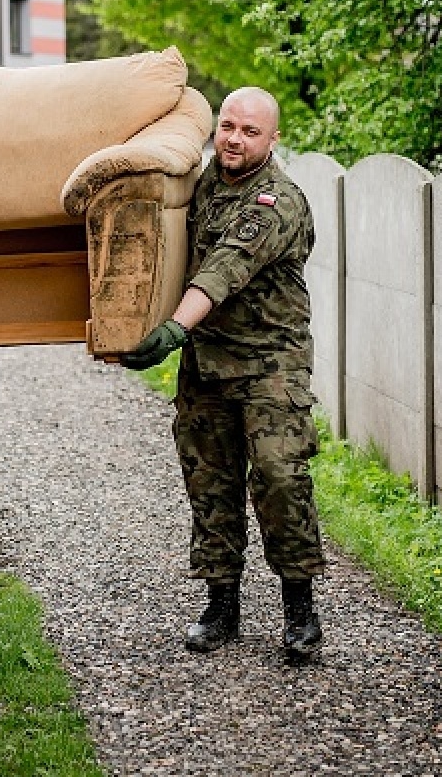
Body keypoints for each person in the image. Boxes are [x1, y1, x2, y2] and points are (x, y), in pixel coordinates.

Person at [120, 86, 325, 663]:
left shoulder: (277, 201)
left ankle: (300, 609)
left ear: (273, 139)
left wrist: (172, 330)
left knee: (280, 479)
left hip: (270, 365)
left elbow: (221, 270)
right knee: (210, 482)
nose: (234, 139)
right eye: (227, 125)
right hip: (208, 361)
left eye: (250, 131)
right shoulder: (201, 181)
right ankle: (222, 605)